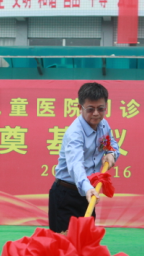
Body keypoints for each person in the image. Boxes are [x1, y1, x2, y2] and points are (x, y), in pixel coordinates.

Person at [48, 82, 120, 233]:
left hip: (88, 194)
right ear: (80, 108)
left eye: (101, 109)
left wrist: (111, 154)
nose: (96, 113)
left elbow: (110, 144)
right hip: (66, 195)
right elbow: (76, 165)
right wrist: (87, 188)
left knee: (86, 240)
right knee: (64, 243)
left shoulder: (103, 125)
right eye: (90, 109)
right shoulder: (75, 133)